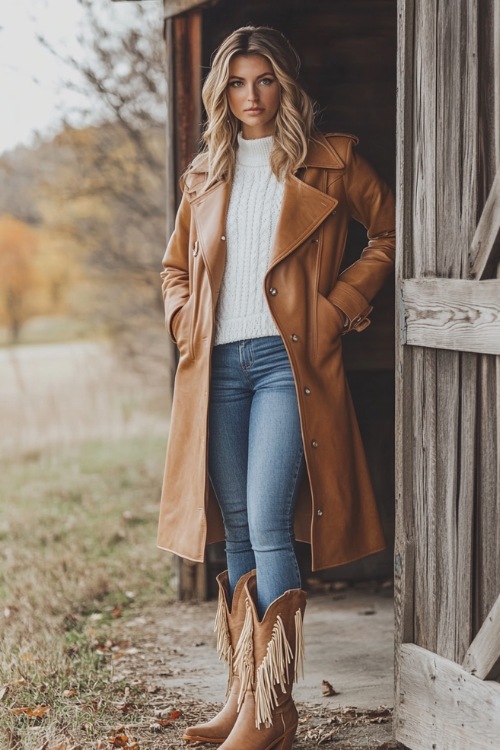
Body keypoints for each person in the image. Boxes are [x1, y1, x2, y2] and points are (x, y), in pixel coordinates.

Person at [158, 25, 395, 750]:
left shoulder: (332, 160)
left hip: (286, 365)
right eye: (236, 82)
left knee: (268, 520)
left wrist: (336, 309)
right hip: (216, 371)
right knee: (236, 531)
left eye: (264, 81)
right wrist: (183, 321)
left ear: (285, 86)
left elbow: (390, 233)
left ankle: (274, 712)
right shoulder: (204, 173)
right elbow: (173, 269)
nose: (251, 96)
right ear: (220, 93)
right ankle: (245, 697)